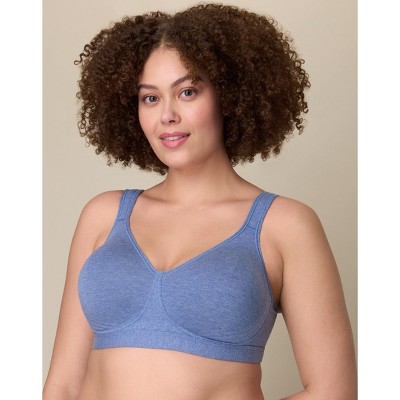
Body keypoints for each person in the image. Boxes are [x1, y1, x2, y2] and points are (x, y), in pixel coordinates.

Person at [43, 3, 357, 399]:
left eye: (187, 92)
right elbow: (63, 385)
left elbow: (334, 391)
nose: (167, 115)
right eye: (150, 98)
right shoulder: (103, 215)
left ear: (229, 95)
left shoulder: (284, 224)